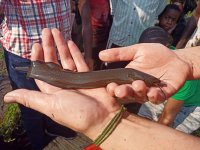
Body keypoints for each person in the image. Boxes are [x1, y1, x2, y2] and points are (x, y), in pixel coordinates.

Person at [4, 28, 200, 150]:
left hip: (77, 80)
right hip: (70, 78)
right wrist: (185, 60)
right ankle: (37, 70)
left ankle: (38, 70)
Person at [0, 1, 92, 149]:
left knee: (60, 96)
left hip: (61, 53)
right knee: (30, 106)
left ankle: (54, 126)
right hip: (23, 54)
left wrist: (88, 53)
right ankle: (38, 142)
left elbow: (83, 5)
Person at [104, 0, 167, 69]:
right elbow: (114, 7)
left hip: (140, 44)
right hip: (118, 37)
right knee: (109, 72)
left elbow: (157, 11)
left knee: (133, 74)